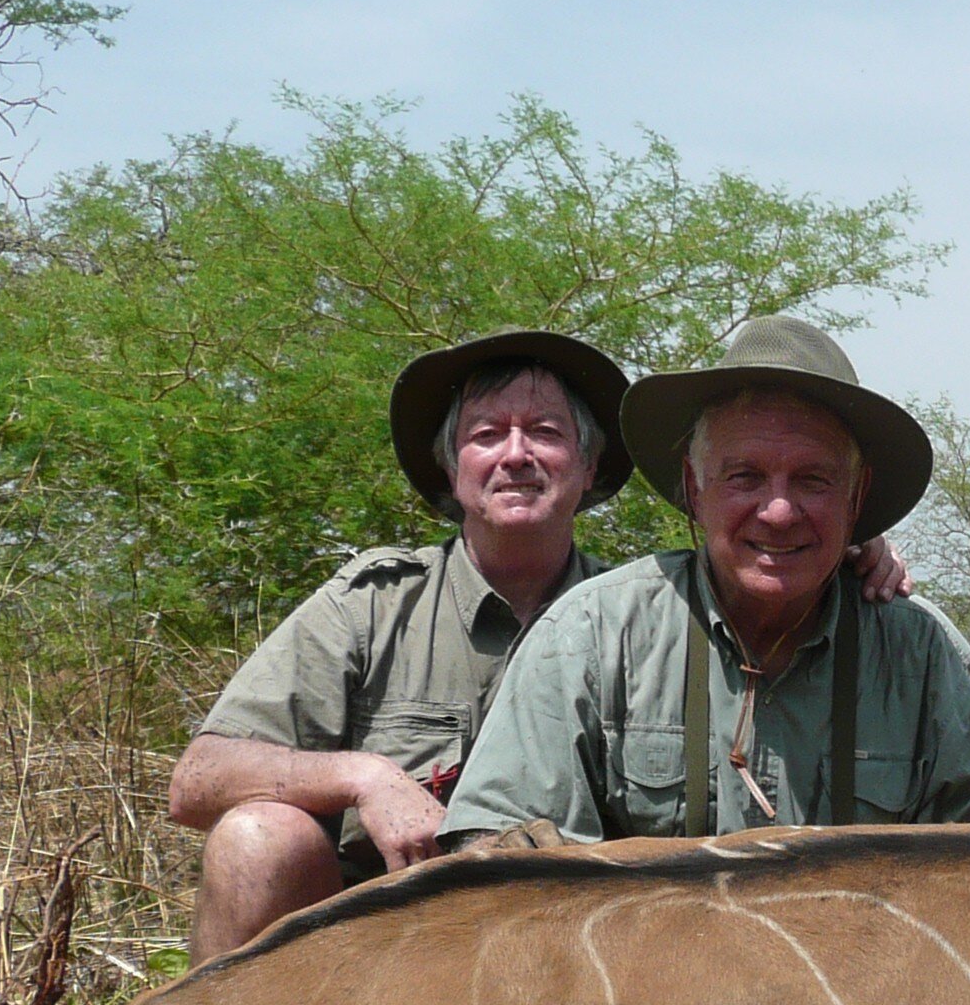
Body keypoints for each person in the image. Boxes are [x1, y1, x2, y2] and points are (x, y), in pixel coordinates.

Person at [166, 329, 929, 964]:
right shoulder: (373, 604)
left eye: (548, 434)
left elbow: (752, 535)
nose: (517, 455)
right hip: (375, 943)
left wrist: (840, 551)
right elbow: (198, 779)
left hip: (559, 960)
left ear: (592, 468)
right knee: (258, 840)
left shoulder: (638, 617)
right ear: (451, 464)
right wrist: (365, 777)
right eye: (488, 435)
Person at [443, 315, 970, 845]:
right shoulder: (592, 633)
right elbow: (498, 861)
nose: (778, 512)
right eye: (744, 476)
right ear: (694, 487)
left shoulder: (922, 653)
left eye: (813, 480)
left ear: (856, 497)